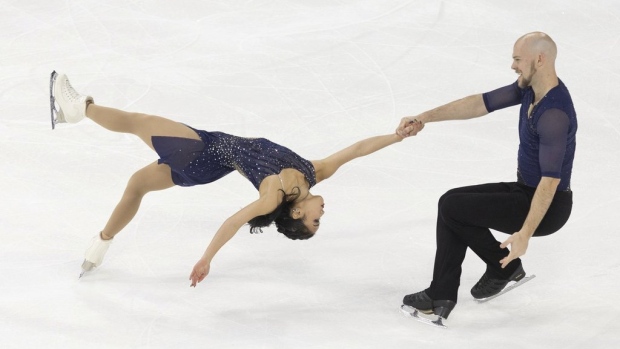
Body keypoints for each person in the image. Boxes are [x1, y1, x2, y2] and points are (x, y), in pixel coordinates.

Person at [49, 71, 423, 286]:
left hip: (201, 153)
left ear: (296, 214)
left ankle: (78, 107)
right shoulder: (314, 172)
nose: (322, 212)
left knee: (136, 123)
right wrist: (397, 136)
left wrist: (206, 258)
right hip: (205, 166)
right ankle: (99, 246)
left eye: (316, 220)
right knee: (137, 185)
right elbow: (358, 149)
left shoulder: (273, 195)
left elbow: (232, 222)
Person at [396, 32, 577, 320]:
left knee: (453, 209)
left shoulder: (554, 114)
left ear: (540, 60)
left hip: (549, 206)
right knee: (451, 201)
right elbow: (481, 103)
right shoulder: (530, 88)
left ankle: (444, 292)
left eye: (518, 59)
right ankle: (492, 271)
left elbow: (550, 182)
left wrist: (525, 234)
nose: (513, 66)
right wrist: (424, 118)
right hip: (526, 190)